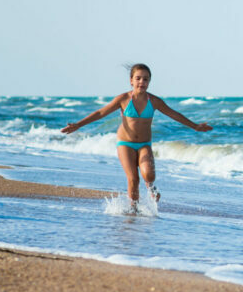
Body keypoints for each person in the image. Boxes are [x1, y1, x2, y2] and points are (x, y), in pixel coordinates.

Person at [61, 63, 211, 210]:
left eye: (145, 79)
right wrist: (78, 125)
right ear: (131, 80)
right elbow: (101, 113)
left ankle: (151, 187)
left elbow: (174, 114)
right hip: (125, 144)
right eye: (138, 78)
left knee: (149, 176)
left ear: (149, 82)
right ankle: (134, 209)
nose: (142, 82)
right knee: (133, 178)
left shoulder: (154, 101)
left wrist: (195, 126)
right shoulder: (123, 99)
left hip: (145, 144)